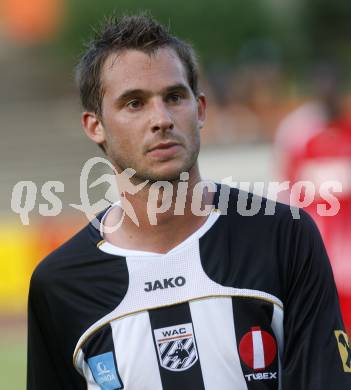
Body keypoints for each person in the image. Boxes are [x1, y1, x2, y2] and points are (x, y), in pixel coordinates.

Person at [27, 13, 351, 390]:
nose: (161, 118)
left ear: (199, 109)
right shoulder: (61, 283)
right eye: (134, 103)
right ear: (94, 125)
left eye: (174, 97)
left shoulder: (283, 237)